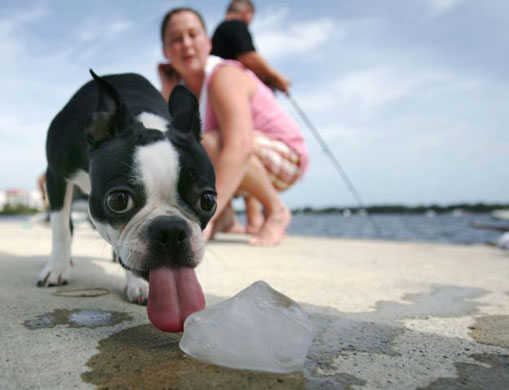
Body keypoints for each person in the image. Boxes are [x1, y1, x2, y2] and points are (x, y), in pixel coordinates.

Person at [158, 8, 308, 246]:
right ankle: (226, 218)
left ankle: (276, 210)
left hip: (284, 156)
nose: (186, 44)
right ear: (166, 52)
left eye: (193, 34)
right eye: (176, 39)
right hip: (247, 160)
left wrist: (203, 217)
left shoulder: (223, 75)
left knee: (211, 143)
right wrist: (168, 92)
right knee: (185, 148)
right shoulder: (186, 91)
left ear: (208, 43)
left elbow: (240, 145)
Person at [211, 0, 290, 94]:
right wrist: (278, 79)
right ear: (247, 13)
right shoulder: (234, 25)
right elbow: (249, 58)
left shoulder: (221, 31)